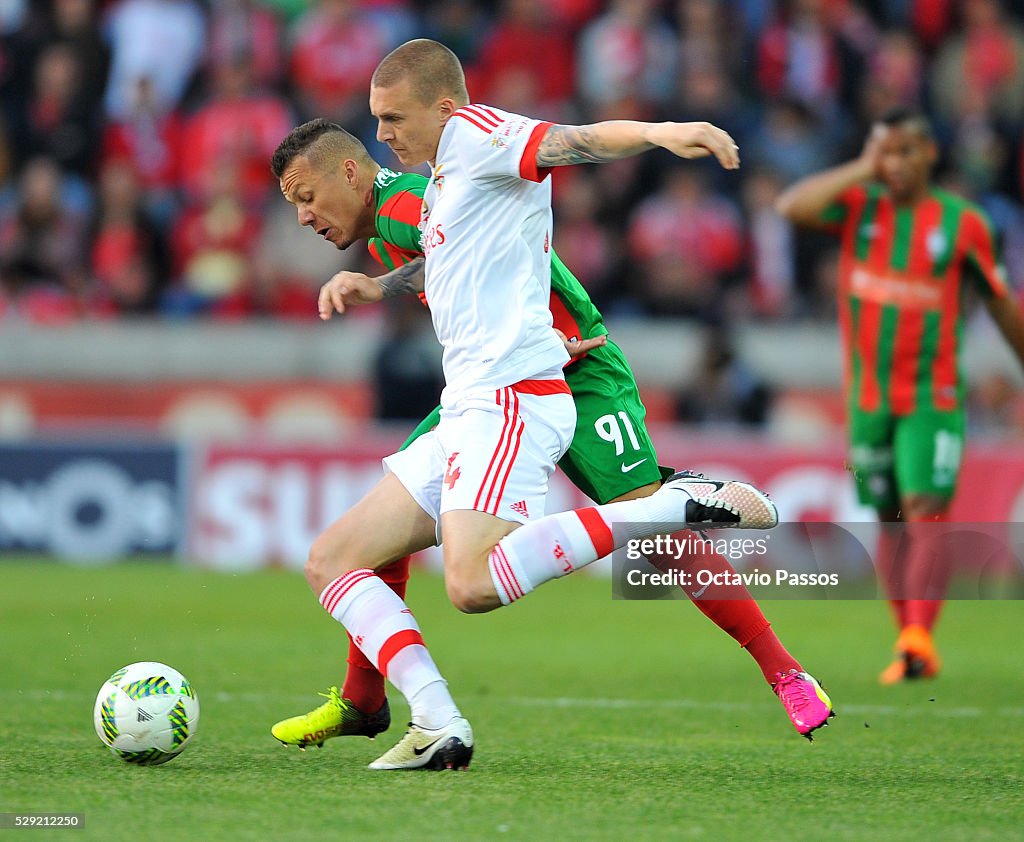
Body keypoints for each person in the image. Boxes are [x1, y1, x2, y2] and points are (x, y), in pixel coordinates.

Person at [272, 39, 803, 772]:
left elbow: (571, 142)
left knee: (481, 580)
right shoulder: (427, 190)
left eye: (392, 118)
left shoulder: (457, 155)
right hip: (479, 393)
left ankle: (770, 647)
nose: (384, 134)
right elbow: (449, 256)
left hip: (548, 374)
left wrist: (659, 134)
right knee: (344, 555)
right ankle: (403, 712)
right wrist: (378, 287)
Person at [776, 107, 1024, 684]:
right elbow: (792, 206)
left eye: (906, 150)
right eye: (885, 151)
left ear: (929, 154)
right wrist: (863, 164)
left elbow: (999, 302)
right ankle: (907, 640)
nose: (895, 163)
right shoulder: (859, 207)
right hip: (867, 399)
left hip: (931, 397)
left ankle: (919, 638)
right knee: (888, 521)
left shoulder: (963, 224)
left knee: (925, 513)